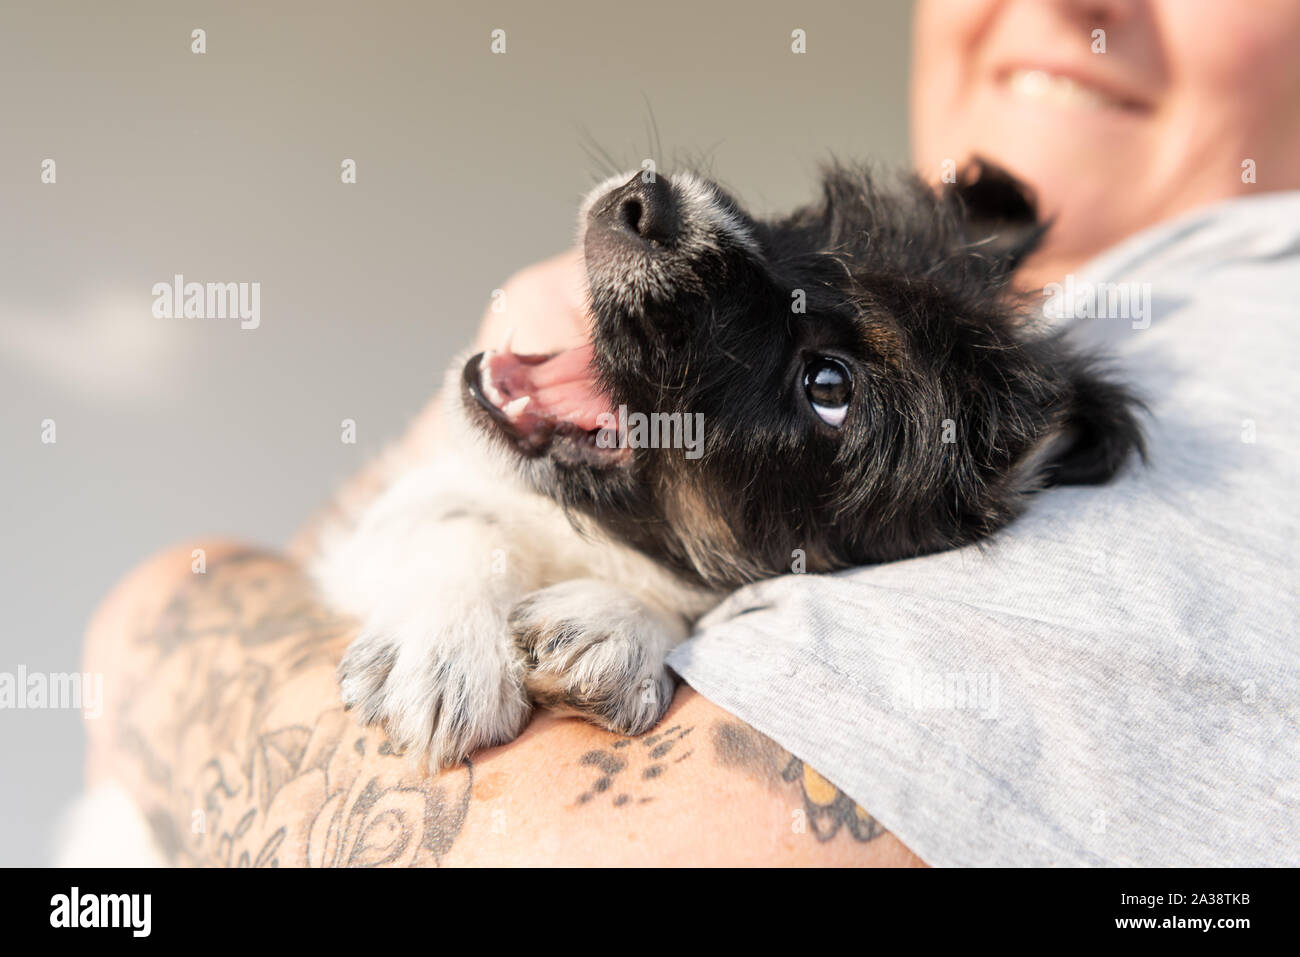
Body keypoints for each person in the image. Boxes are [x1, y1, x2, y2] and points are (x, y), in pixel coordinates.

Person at [79, 0, 1300, 866]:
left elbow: (611, 850)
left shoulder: (1235, 338)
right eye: (797, 232)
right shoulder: (957, 300)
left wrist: (159, 627)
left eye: (829, 382)